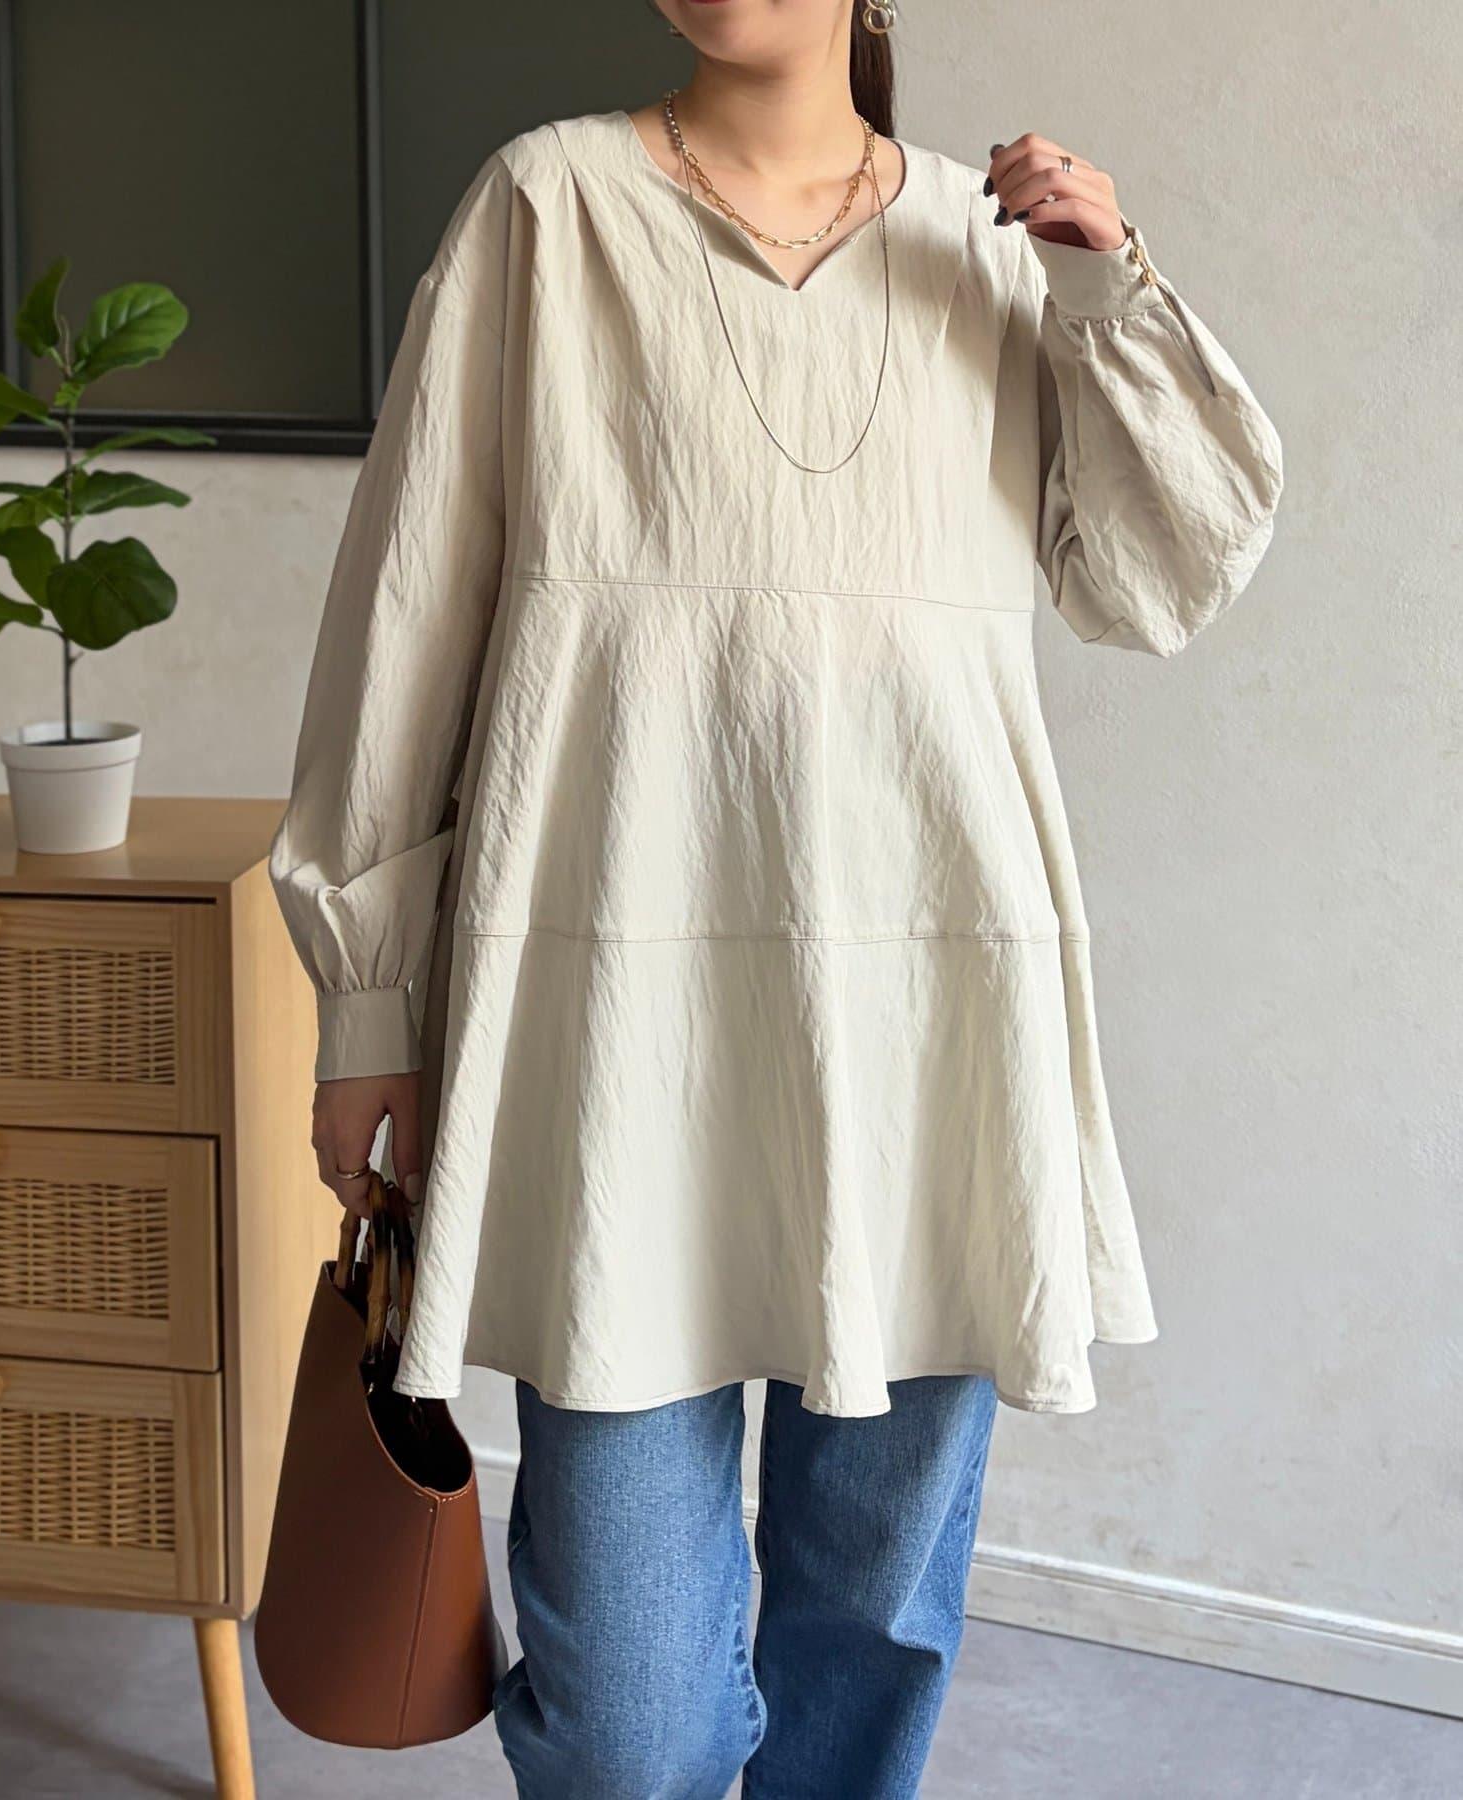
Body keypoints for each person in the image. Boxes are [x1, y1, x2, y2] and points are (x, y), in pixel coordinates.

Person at [270, 2, 1282, 1792]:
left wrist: (1108, 287)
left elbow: (1160, 581)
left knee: (869, 1628)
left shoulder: (993, 239)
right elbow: (405, 617)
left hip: (930, 1018)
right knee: (631, 1716)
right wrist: (368, 1000)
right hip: (613, 1020)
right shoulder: (548, 207)